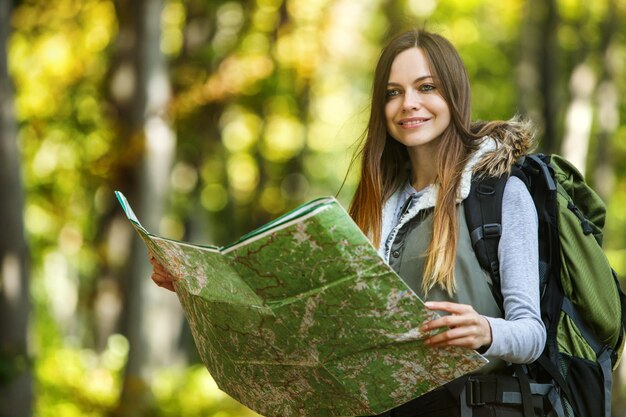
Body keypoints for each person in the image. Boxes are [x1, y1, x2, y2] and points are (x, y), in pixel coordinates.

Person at [150, 29, 547, 417]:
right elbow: (308, 320)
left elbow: (532, 335)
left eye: (426, 87)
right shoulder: (376, 209)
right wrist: (197, 286)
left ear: (454, 95)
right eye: (393, 92)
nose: (408, 103)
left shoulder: (500, 195)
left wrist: (486, 332)